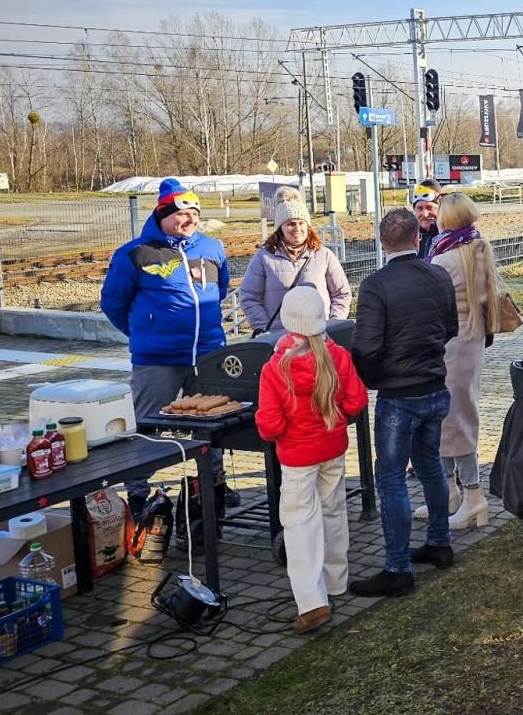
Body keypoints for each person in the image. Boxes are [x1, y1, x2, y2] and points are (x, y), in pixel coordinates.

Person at [348, 209, 460, 597]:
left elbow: (364, 346)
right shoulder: (438, 274)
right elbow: (451, 328)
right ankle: (440, 542)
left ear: (381, 243)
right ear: (417, 239)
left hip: (398, 396)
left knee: (392, 478)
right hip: (434, 386)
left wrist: (374, 380)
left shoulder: (376, 285)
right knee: (430, 467)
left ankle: (398, 567)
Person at [101, 177, 232, 504]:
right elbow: (113, 303)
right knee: (147, 424)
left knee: (212, 424)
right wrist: (145, 333)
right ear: (162, 215)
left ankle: (213, 485)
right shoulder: (135, 253)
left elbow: (221, 290)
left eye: (195, 213)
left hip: (208, 354)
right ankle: (138, 491)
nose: (190, 220)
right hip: (157, 359)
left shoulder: (212, 248)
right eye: (181, 214)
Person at [254, 286, 368, 633]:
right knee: (333, 510)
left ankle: (312, 601)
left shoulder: (276, 367)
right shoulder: (338, 356)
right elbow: (356, 401)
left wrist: (270, 428)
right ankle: (337, 581)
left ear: (288, 322)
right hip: (331, 446)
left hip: (297, 454)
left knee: (300, 522)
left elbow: (270, 424)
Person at [418, 192, 502, 530]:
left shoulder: (444, 258)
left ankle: (471, 495)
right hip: (472, 339)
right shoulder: (478, 246)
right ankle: (452, 493)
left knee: (452, 419)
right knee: (457, 415)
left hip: (451, 344)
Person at [238, 186, 351, 335]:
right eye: (291, 223)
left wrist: (333, 324)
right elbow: (249, 296)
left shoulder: (324, 255)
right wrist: (263, 328)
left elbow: (341, 294)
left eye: (301, 223)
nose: (297, 228)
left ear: (308, 226)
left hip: (319, 338)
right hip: (280, 340)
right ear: (281, 227)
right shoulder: (264, 258)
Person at [411, 179, 444, 259]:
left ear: (441, 209)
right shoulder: (409, 238)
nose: (425, 214)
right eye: (419, 208)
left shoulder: (452, 237)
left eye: (430, 208)